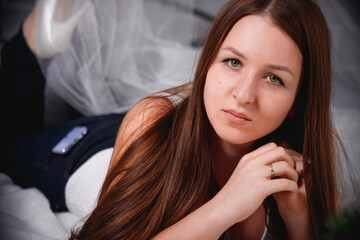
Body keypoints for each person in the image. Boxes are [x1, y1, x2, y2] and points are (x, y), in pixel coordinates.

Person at [0, 0, 341, 239]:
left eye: (274, 79)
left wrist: (300, 223)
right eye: (233, 62)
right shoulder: (150, 116)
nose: (243, 95)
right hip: (97, 150)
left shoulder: (296, 174)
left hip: (151, 142)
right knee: (11, 141)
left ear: (298, 101)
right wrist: (227, 205)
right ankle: (34, 44)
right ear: (208, 63)